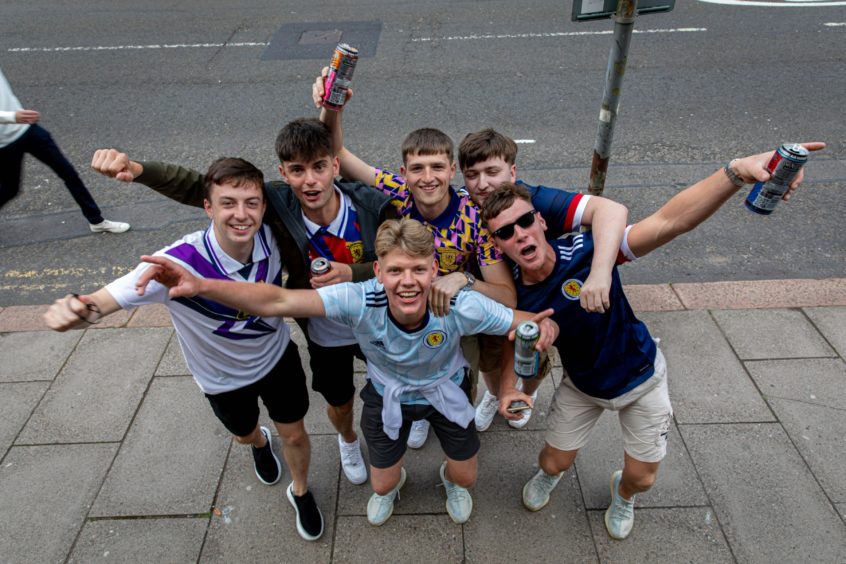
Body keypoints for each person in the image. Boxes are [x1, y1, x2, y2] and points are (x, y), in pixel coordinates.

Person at [480, 142, 825, 540]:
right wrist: (510, 385)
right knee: (552, 461)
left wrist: (735, 172)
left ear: (541, 222)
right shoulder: (517, 296)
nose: (519, 234)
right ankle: (549, 476)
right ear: (498, 244)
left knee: (642, 479)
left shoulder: (589, 250)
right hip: (584, 385)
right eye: (505, 232)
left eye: (525, 222)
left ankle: (622, 495)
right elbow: (510, 341)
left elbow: (669, 222)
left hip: (641, 375)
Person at [134, 217, 559, 527]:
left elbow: (522, 324)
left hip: (444, 393)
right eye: (395, 270)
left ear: (435, 271)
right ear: (378, 272)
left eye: (418, 270)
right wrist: (202, 283)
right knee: (379, 486)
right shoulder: (359, 298)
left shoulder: (459, 303)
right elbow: (279, 301)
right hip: (386, 394)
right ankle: (395, 481)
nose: (407, 282)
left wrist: (533, 346)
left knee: (466, 476)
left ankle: (449, 479)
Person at [90, 117, 399, 486]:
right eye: (297, 171)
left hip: (373, 319)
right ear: (283, 173)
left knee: (396, 379)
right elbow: (198, 187)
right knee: (340, 400)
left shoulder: (371, 207)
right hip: (325, 330)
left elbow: (398, 264)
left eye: (319, 167)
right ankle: (348, 439)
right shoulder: (277, 204)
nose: (310, 181)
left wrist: (353, 274)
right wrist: (138, 170)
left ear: (335, 165)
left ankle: (410, 418)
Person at [43, 157, 324, 541]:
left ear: (263, 206)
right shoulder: (174, 265)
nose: (241, 215)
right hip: (222, 380)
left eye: (251, 203)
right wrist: (78, 310)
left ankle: (301, 490)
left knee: (295, 434)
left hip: (277, 359)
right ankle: (258, 441)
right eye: (228, 203)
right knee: (243, 435)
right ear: (207, 207)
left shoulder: (273, 236)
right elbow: (102, 302)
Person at [314, 75, 520, 449]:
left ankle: (457, 411)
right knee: (404, 364)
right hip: (402, 308)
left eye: (437, 167)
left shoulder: (474, 219)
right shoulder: (399, 192)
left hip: (452, 314)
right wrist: (333, 107)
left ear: (452, 170)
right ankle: (420, 411)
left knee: (460, 374)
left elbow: (507, 296)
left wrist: (463, 279)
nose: (428, 178)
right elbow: (338, 156)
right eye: (418, 168)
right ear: (404, 172)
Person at [457, 128, 627, 431]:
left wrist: (601, 272)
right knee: (490, 359)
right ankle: (497, 395)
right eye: (472, 174)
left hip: (537, 297)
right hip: (491, 299)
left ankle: (529, 391)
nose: (482, 184)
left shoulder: (535, 200)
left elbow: (611, 211)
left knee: (535, 353)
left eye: (492, 171)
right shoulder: (463, 206)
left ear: (512, 170)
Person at [0, 68, 129, 233]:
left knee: (68, 173)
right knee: (11, 189)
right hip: (5, 144)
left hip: (29, 131)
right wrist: (12, 117)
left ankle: (96, 221)